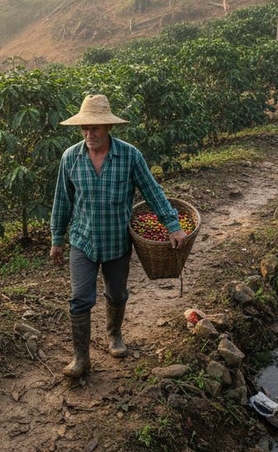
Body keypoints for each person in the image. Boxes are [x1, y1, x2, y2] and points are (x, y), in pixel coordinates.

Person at [50, 94, 186, 378]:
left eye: (95, 128)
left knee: (116, 293)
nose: (89, 134)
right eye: (84, 129)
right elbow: (62, 201)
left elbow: (152, 191)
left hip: (117, 243)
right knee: (80, 299)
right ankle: (81, 358)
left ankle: (114, 335)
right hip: (83, 241)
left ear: (109, 128)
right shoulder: (70, 158)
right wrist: (57, 239)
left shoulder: (129, 156)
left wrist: (172, 224)